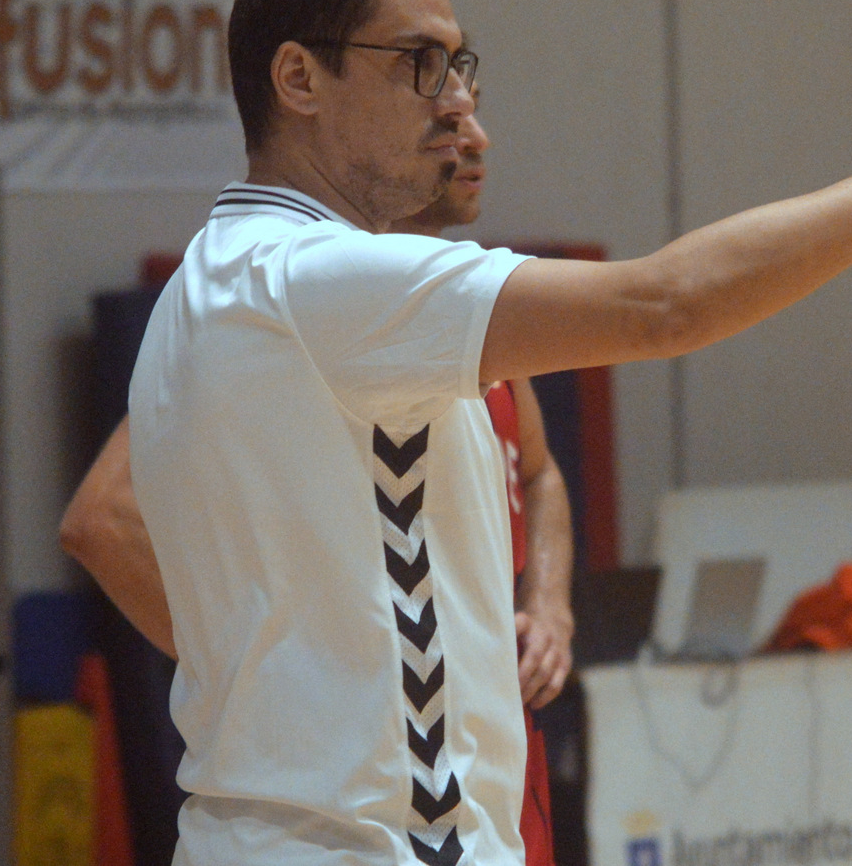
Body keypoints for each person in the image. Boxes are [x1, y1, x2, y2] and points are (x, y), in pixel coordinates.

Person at [124, 0, 852, 866]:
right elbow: (667, 306)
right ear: (297, 76)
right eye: (417, 61)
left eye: (460, 63)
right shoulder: (321, 282)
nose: (453, 98)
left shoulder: (201, 297)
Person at [62, 100, 574, 866]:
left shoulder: (470, 307)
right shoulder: (295, 307)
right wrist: (264, 666)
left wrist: (550, 605)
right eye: (436, 115)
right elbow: (99, 518)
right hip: (376, 797)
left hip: (492, 757)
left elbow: (537, 473)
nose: (474, 138)